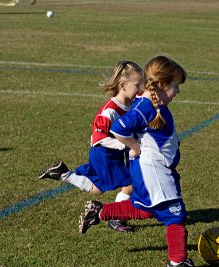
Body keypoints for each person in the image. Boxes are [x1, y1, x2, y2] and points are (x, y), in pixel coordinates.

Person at [78, 55, 194, 267]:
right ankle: (178, 262)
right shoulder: (145, 107)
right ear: (160, 85)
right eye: (175, 86)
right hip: (154, 173)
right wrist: (134, 146)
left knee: (143, 209)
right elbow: (118, 128)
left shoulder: (151, 103)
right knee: (175, 214)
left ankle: (100, 212)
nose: (177, 92)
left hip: (154, 171)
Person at [39, 60, 143, 232]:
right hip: (103, 152)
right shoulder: (109, 111)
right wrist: (125, 145)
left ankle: (63, 173)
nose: (140, 89)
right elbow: (98, 138)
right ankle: (116, 217)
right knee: (119, 184)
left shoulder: (130, 104)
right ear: (123, 85)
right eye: (137, 85)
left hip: (115, 152)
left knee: (105, 187)